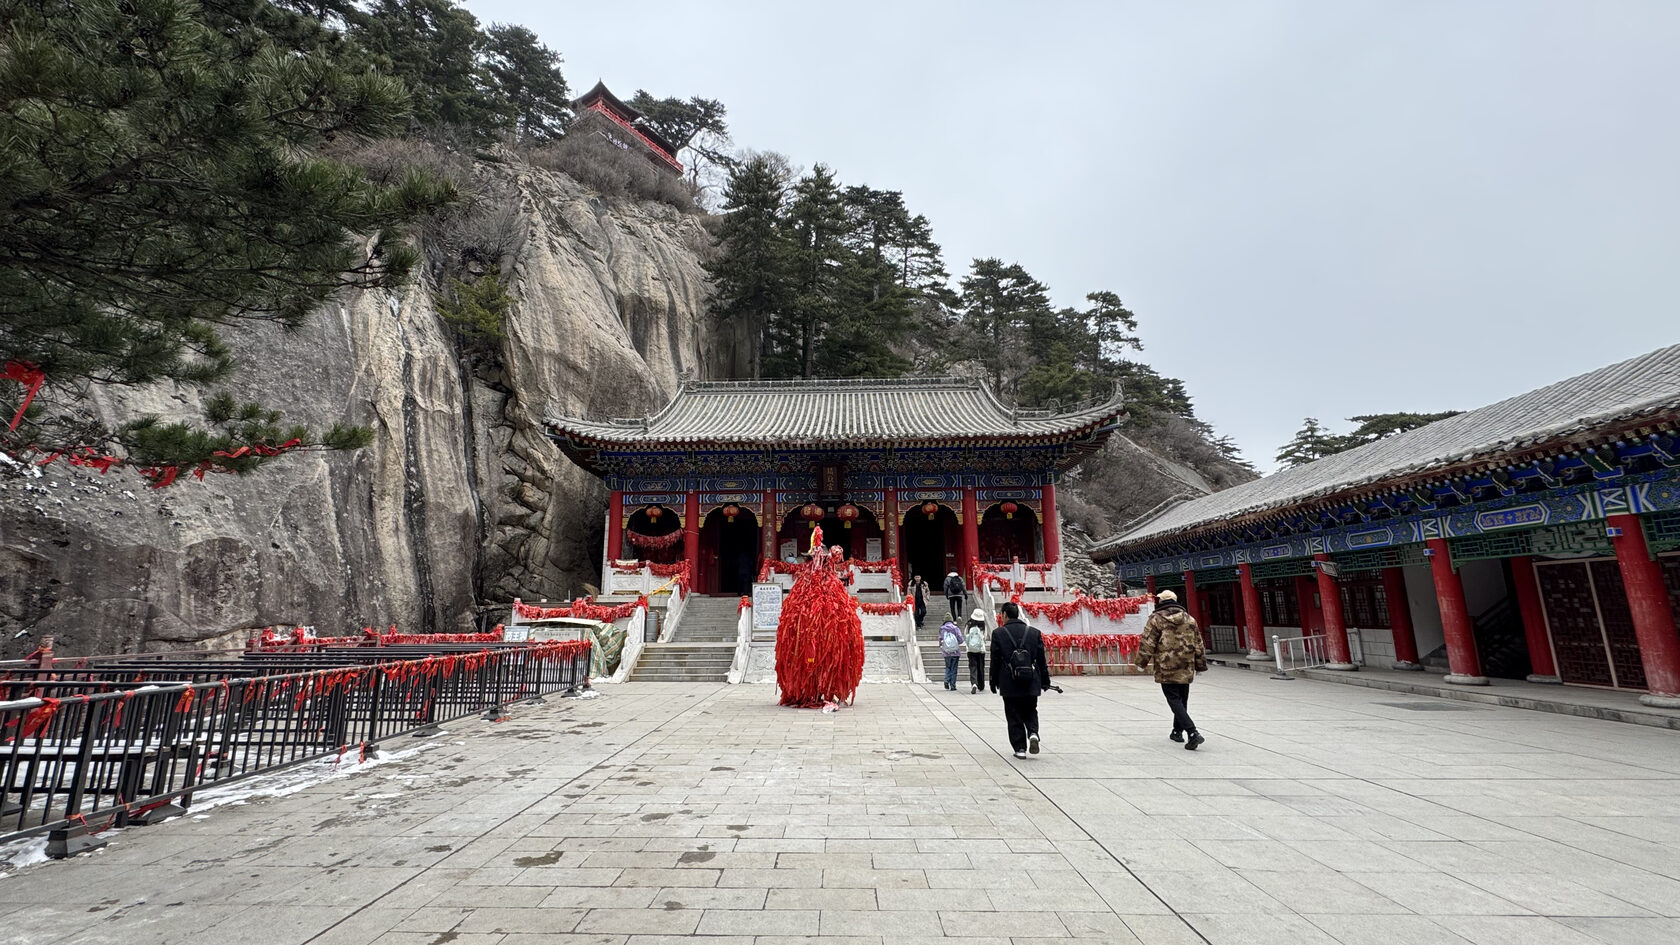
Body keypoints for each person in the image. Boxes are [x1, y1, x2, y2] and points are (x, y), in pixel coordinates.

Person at [1132, 589, 1208, 750]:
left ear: (1161, 601)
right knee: (1182, 699)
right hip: (1186, 664)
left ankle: (1192, 732)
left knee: (1174, 699)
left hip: (1167, 664)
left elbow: (1148, 642)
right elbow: (1198, 643)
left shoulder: (1156, 619)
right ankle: (1177, 731)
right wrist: (1200, 664)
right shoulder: (1189, 619)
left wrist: (1141, 662)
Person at [990, 601, 1051, 758]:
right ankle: (1033, 733)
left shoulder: (999, 634)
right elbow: (1041, 660)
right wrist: (1045, 680)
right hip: (1031, 679)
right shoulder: (1033, 632)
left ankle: (1020, 749)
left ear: (1004, 615)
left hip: (1009, 681)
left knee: (1013, 714)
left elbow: (995, 660)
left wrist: (993, 681)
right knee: (1030, 709)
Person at [965, 608, 989, 694]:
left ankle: (974, 683)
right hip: (981, 650)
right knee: (980, 667)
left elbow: (966, 636)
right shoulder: (983, 626)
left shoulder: (968, 625)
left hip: (970, 650)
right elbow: (985, 638)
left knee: (972, 667)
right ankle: (981, 685)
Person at [938, 620, 964, 690]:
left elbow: (940, 640)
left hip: (946, 652)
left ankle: (946, 680)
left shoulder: (942, 629)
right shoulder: (955, 628)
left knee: (948, 667)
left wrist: (941, 646)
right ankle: (953, 685)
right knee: (954, 668)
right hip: (955, 652)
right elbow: (961, 639)